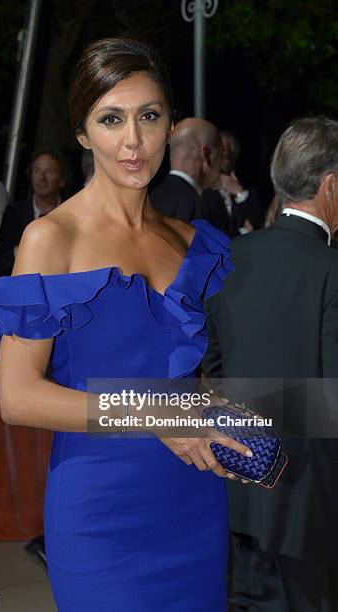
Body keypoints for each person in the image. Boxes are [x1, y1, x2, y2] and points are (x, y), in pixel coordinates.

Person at [0, 37, 251, 611]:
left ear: (171, 124)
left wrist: (218, 404)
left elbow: (188, 376)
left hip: (194, 498)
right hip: (102, 511)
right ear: (82, 133)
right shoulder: (52, 238)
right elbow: (18, 398)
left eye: (149, 116)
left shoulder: (190, 243)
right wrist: (154, 414)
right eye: (111, 119)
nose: (133, 141)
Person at [202, 116, 338, 611]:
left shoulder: (230, 258)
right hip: (313, 508)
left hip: (242, 494)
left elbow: (213, 372)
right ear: (331, 184)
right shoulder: (330, 270)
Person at [0, 150, 65, 277]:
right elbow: (1, 260)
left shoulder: (71, 213)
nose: (42, 178)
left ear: (62, 179)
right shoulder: (14, 212)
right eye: (37, 171)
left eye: (50, 172)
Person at [150, 117, 222, 222]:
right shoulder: (193, 205)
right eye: (220, 156)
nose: (221, 165)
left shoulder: (151, 197)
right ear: (205, 154)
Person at [200, 130, 263, 236]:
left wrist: (239, 192)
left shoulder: (245, 190)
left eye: (224, 156)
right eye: (214, 154)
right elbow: (208, 234)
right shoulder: (200, 192)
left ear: (233, 160)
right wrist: (243, 232)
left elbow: (259, 223)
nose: (217, 160)